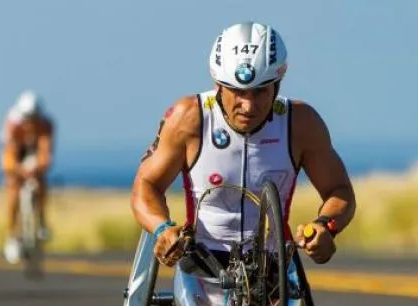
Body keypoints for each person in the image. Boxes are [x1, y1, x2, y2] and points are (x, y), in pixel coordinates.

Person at [131, 21, 356, 270]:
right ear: (218, 85)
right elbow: (147, 184)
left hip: (273, 265)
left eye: (260, 91)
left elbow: (339, 189)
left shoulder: (301, 123)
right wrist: (162, 228)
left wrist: (327, 225)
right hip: (201, 263)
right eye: (238, 91)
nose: (248, 106)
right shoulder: (188, 117)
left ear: (277, 85)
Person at [0, 90, 55, 264]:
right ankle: (12, 235)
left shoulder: (46, 124)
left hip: (34, 152)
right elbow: (8, 158)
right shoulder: (12, 123)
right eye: (27, 118)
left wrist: (38, 167)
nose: (30, 123)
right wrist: (19, 171)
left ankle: (42, 221)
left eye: (33, 118)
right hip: (17, 152)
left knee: (41, 180)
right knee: (13, 186)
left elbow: (46, 154)